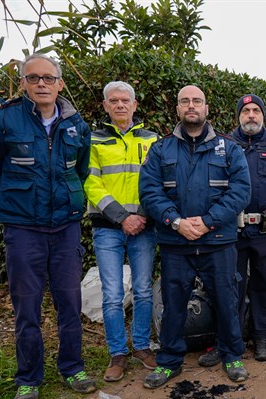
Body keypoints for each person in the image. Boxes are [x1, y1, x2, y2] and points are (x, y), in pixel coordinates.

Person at [0, 53, 95, 399]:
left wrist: (67, 200)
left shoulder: (76, 124)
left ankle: (72, 368)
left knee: (70, 302)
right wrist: (15, 203)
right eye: (33, 78)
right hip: (23, 229)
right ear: (23, 83)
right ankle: (28, 379)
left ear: (59, 84)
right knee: (27, 306)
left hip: (66, 226)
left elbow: (81, 170)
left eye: (48, 78)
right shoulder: (1, 120)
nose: (41, 84)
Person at [139, 85, 251, 387]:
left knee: (227, 300)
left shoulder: (230, 149)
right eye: (185, 101)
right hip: (176, 242)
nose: (191, 106)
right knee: (173, 303)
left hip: (217, 241)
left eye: (197, 101)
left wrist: (207, 222)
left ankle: (232, 355)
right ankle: (168, 361)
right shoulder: (160, 150)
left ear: (206, 108)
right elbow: (149, 192)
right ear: (177, 109)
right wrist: (176, 222)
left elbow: (241, 191)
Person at [203, 94, 266, 365]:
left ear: (263, 116)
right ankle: (228, 342)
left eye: (256, 110)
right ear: (238, 116)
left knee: (264, 286)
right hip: (230, 232)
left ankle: (262, 338)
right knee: (229, 288)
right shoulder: (221, 146)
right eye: (246, 110)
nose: (251, 115)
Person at [84, 81, 160, 382]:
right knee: (113, 294)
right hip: (107, 228)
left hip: (144, 226)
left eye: (124, 100)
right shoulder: (94, 141)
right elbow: (91, 183)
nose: (119, 105)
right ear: (105, 106)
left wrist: (140, 215)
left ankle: (141, 346)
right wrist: (121, 217)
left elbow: (157, 182)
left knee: (142, 291)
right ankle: (117, 353)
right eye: (113, 101)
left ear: (134, 104)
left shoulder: (152, 140)